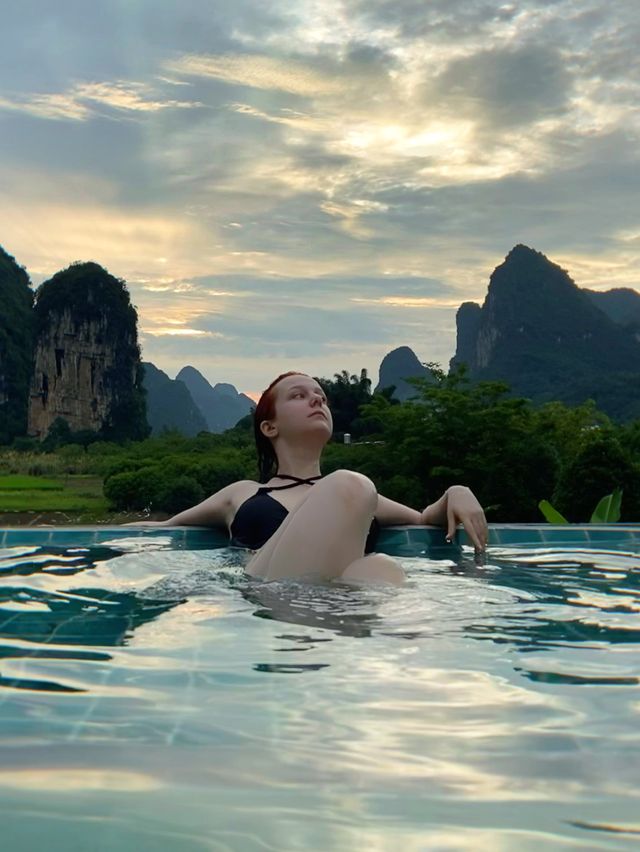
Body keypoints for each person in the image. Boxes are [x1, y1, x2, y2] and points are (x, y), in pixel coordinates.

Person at [131, 371, 488, 585]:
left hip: (341, 602)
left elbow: (426, 518)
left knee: (380, 569)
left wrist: (457, 491)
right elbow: (163, 531)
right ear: (269, 426)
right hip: (268, 589)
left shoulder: (358, 499)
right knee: (350, 487)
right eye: (299, 396)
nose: (317, 401)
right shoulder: (243, 494)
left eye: (321, 397)